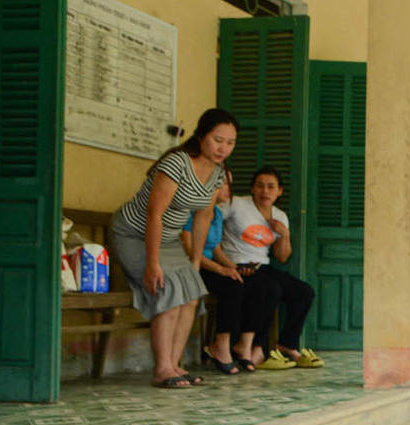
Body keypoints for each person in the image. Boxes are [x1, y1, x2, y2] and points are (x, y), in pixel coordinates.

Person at [109, 108, 235, 388]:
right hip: (132, 235)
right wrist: (152, 263)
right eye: (218, 140)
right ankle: (161, 369)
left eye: (230, 142)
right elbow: (155, 214)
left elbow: (203, 215)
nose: (223, 148)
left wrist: (195, 261)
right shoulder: (177, 163)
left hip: (168, 239)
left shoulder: (217, 173)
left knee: (191, 292)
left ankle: (175, 365)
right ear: (201, 135)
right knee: (169, 289)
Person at [219, 166, 323, 371]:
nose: (265, 191)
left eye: (270, 187)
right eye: (259, 186)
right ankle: (256, 346)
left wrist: (284, 235)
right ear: (252, 188)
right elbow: (209, 221)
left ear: (279, 191)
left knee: (304, 292)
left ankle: (286, 343)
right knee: (269, 288)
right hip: (236, 264)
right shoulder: (236, 204)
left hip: (262, 266)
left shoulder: (279, 216)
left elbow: (282, 257)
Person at [179, 169, 250, 375]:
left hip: (210, 265)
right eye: (224, 183)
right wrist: (220, 269)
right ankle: (221, 344)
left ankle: (234, 344)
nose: (229, 189)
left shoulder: (217, 213)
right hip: (192, 266)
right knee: (232, 288)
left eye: (229, 183)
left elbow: (216, 249)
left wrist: (231, 267)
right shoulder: (193, 210)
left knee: (243, 282)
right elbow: (190, 249)